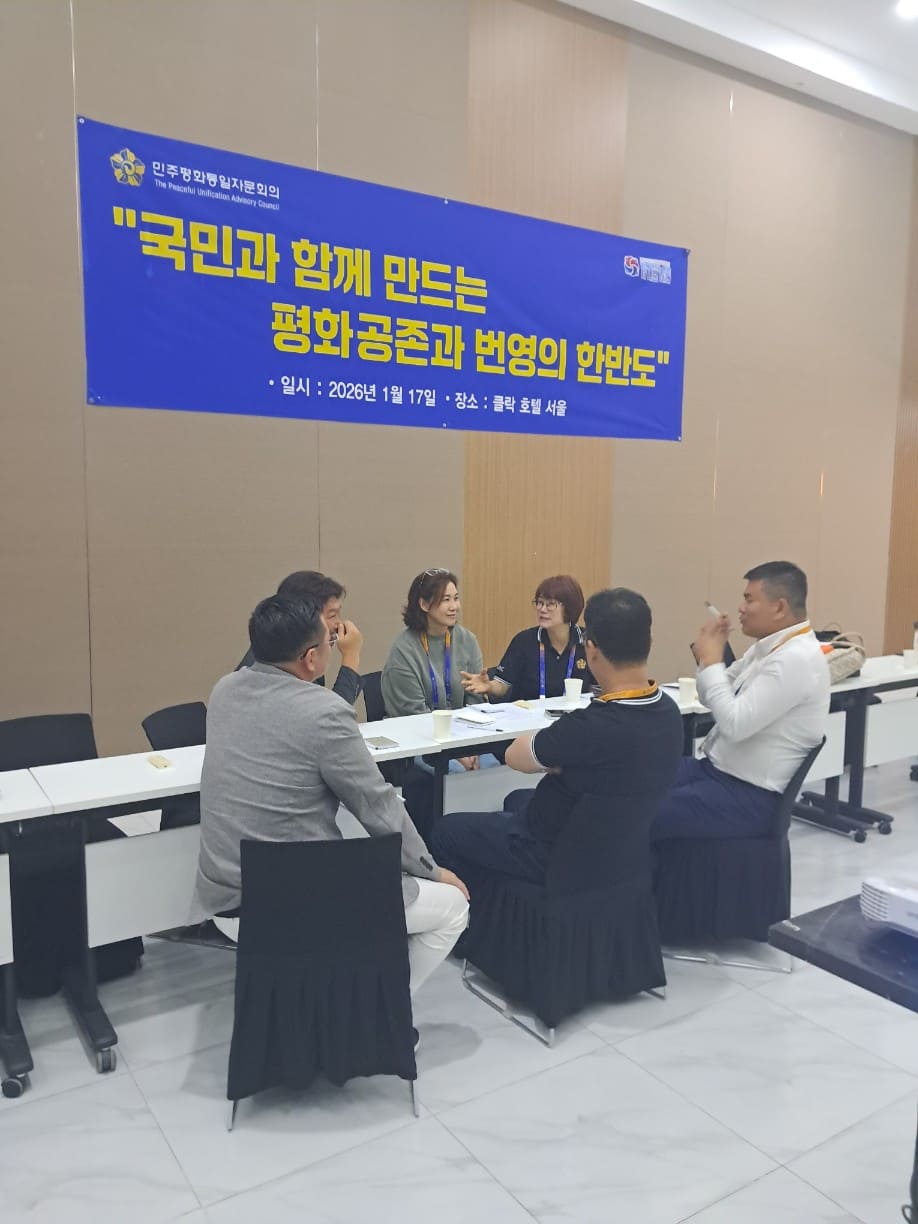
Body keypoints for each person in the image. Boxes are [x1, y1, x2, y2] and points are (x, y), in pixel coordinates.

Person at [190, 594, 469, 995]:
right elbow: (377, 806)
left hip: (224, 895)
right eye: (330, 641)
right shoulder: (323, 710)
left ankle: (344, 993)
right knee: (452, 907)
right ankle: (377, 1011)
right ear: (310, 658)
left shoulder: (224, 690)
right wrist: (432, 870)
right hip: (294, 902)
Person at [430, 589, 683, 884]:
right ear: (649, 643)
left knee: (445, 831)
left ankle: (489, 911)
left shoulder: (587, 725)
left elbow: (515, 756)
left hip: (555, 849)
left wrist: (561, 761)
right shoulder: (669, 712)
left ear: (591, 650)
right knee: (516, 799)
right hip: (623, 846)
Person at [652, 561, 829, 842]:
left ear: (779, 607)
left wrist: (712, 661)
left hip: (749, 795)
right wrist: (709, 661)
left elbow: (735, 724)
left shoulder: (795, 658)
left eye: (749, 600)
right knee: (641, 777)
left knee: (641, 812)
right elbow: (709, 696)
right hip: (717, 772)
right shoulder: (769, 648)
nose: (740, 609)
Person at [381, 568, 488, 773]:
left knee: (494, 766)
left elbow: (475, 703)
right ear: (424, 604)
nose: (454, 606)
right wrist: (455, 752)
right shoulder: (404, 650)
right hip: (419, 741)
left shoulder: (467, 640)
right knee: (455, 773)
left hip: (464, 738)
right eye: (446, 600)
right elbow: (414, 716)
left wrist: (469, 747)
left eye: (456, 598)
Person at [236, 570, 363, 705]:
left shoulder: (293, 648)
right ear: (305, 617)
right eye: (332, 616)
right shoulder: (278, 666)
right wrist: (351, 656)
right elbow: (333, 713)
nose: (339, 624)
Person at [460, 574, 594, 702]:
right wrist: (489, 686)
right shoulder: (524, 641)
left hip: (574, 714)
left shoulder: (588, 641)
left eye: (550, 604)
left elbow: (599, 687)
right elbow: (502, 685)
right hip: (528, 715)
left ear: (569, 607)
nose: (542, 609)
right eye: (540, 603)